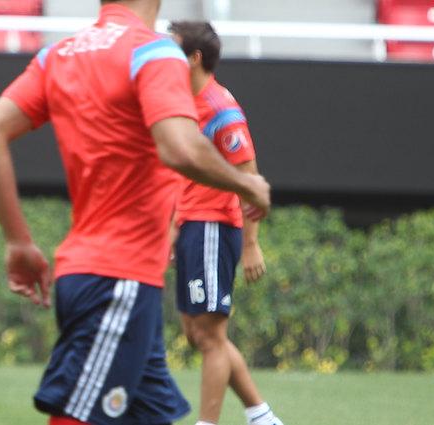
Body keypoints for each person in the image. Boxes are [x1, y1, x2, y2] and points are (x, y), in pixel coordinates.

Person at [0, 1, 271, 424]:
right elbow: (180, 148)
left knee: (148, 415)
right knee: (78, 414)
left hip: (100, 273)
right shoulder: (155, 51)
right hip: (118, 278)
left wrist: (18, 241)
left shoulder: (58, 54)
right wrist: (248, 184)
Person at [167, 21, 283, 425]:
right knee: (196, 333)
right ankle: (261, 415)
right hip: (192, 226)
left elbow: (251, 181)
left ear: (194, 58)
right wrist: (174, 227)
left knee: (211, 336)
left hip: (214, 227)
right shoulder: (183, 101)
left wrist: (251, 244)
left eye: (173, 48)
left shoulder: (221, 110)